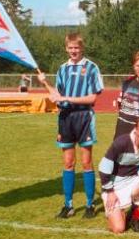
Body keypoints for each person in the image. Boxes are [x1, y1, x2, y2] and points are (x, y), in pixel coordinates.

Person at [37, 32, 103, 219]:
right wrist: (44, 82)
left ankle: (89, 205)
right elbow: (57, 95)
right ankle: (68, 205)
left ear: (82, 48)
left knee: (86, 162)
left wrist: (67, 98)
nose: (74, 51)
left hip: (84, 117)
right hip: (65, 118)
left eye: (77, 48)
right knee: (68, 162)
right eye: (70, 48)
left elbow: (92, 98)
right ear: (66, 48)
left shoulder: (91, 68)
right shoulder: (62, 69)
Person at [99, 117, 139, 233]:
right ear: (135, 129)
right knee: (119, 229)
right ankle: (118, 213)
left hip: (133, 180)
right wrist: (110, 192)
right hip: (114, 186)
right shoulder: (122, 142)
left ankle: (136, 217)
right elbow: (103, 168)